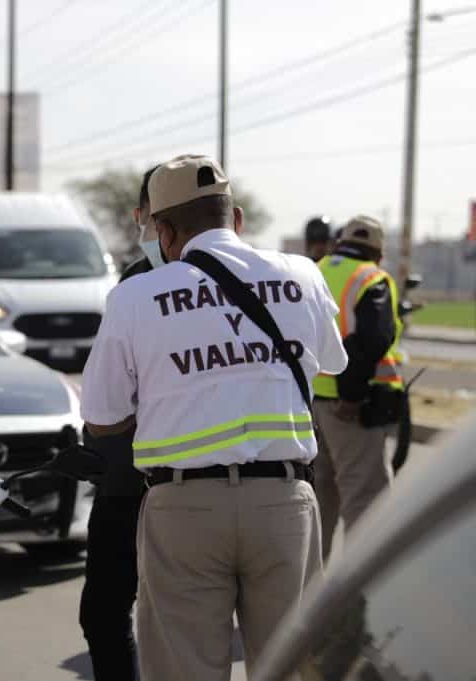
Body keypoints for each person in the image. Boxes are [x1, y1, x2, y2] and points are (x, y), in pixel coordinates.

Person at [81, 155, 347, 680]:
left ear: (163, 231)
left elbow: (102, 415)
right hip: (284, 505)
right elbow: (331, 363)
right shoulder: (302, 275)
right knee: (290, 667)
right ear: (237, 218)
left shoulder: (134, 296)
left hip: (183, 511)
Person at [79, 164, 158, 681]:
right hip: (128, 481)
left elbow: (104, 406)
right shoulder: (134, 282)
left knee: (132, 617)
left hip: (149, 484)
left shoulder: (139, 286)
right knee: (106, 613)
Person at [312, 215, 403, 559]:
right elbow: (372, 339)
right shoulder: (372, 278)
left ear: (339, 244)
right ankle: (360, 589)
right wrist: (351, 395)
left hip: (311, 404)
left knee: (318, 502)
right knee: (365, 503)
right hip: (350, 410)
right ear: (378, 253)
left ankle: (310, 588)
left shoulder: (314, 271)